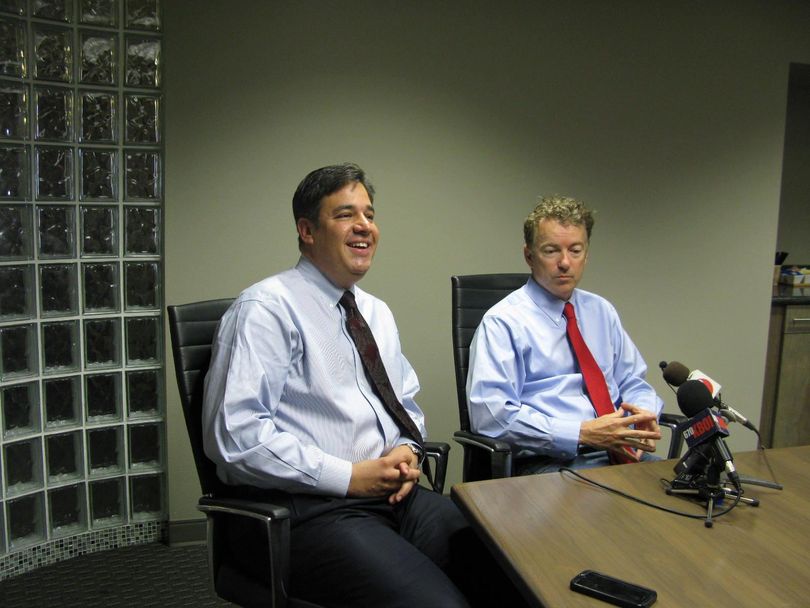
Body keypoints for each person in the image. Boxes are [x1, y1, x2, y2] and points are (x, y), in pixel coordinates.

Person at [202, 163, 524, 608]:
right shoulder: (267, 309)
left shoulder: (375, 312)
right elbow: (236, 438)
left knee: (512, 570)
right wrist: (349, 477)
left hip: (395, 498)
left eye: (370, 215)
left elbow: (404, 403)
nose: (364, 227)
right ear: (307, 230)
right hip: (308, 511)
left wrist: (406, 451)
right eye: (345, 215)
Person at [467, 195, 663, 475]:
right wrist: (580, 433)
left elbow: (633, 381)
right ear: (529, 256)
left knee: (686, 498)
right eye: (551, 251)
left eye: (575, 250)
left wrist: (642, 414)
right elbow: (491, 417)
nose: (565, 263)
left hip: (618, 452)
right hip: (549, 462)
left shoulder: (601, 311)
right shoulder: (503, 322)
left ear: (587, 253)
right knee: (612, 515)